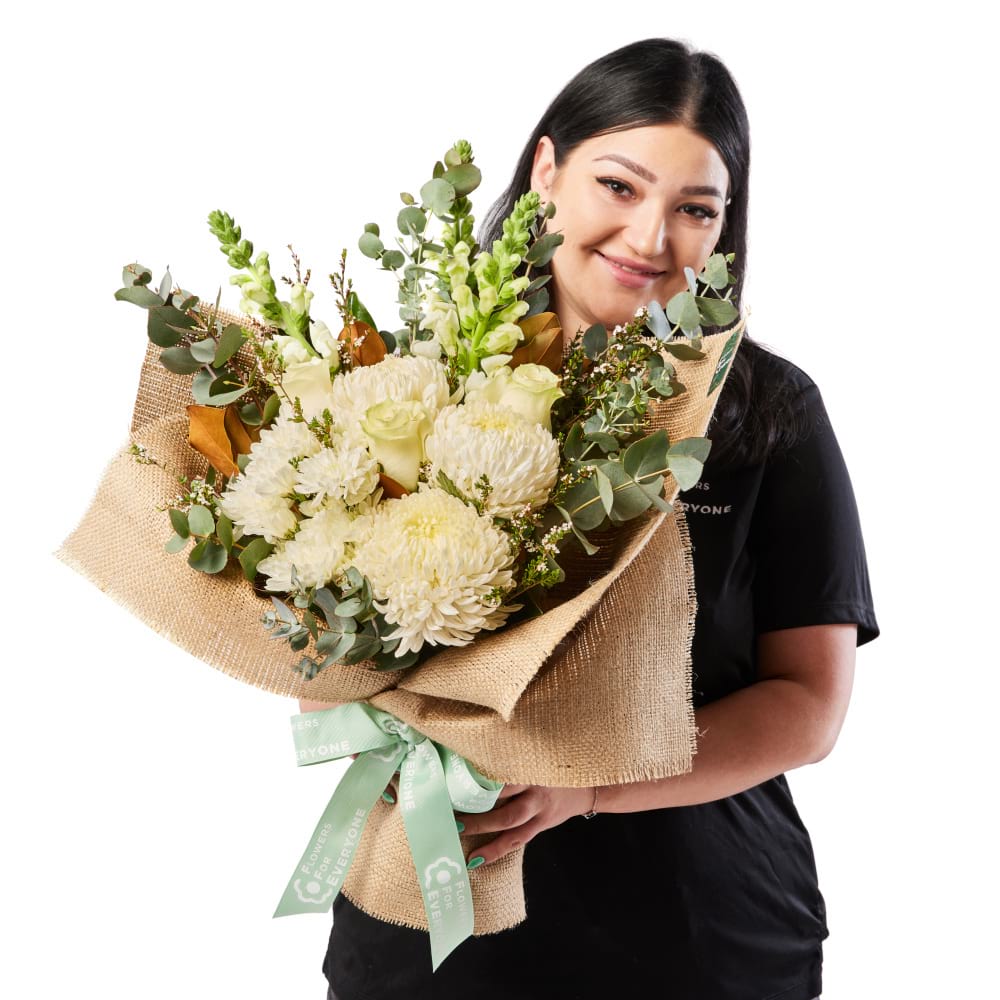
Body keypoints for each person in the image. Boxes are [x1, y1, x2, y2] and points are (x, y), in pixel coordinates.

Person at [303, 37, 879, 1000]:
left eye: (695, 209)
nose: (652, 238)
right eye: (620, 186)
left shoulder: (765, 411)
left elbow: (808, 707)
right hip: (433, 928)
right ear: (547, 171)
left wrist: (589, 789)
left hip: (700, 935)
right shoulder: (402, 389)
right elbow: (315, 660)